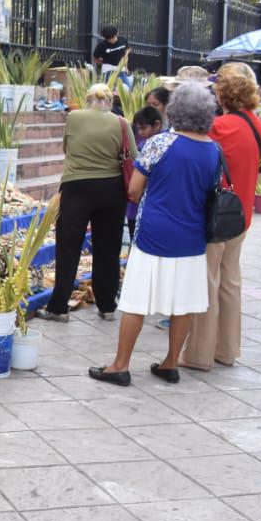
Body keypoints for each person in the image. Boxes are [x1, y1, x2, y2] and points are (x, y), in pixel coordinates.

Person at [90, 83, 223, 386]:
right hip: (192, 236)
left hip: (154, 231)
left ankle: (120, 365)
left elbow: (134, 190)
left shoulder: (160, 143)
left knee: (136, 301)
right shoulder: (214, 150)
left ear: (175, 110)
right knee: (184, 303)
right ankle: (170, 363)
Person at [181, 64, 261, 371]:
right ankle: (227, 350)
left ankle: (199, 355)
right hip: (241, 212)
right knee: (230, 282)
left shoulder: (223, 126)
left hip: (216, 213)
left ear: (224, 95)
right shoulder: (256, 124)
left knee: (207, 280)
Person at [41, 83, 136, 322]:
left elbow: (66, 147)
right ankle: (106, 305)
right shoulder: (121, 122)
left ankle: (59, 306)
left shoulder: (74, 117)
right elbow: (133, 155)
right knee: (108, 247)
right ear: (110, 102)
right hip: (111, 189)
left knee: (68, 246)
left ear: (87, 99)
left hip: (76, 186)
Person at [126, 106, 164, 239]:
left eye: (143, 128)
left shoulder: (147, 146)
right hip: (141, 206)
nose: (140, 132)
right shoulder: (142, 144)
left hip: (145, 205)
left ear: (157, 125)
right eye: (138, 128)